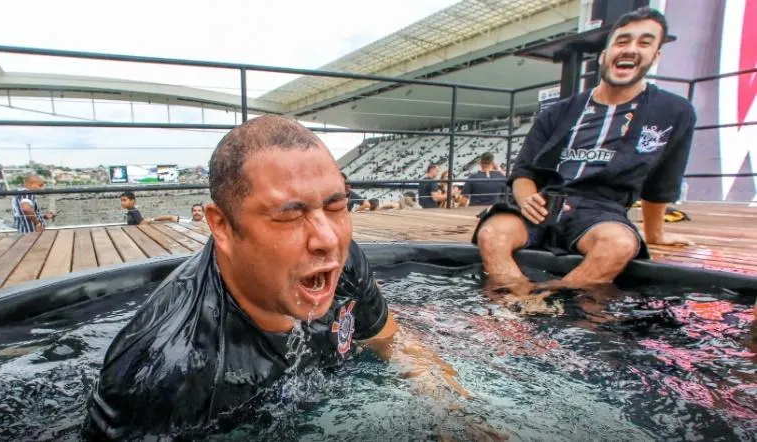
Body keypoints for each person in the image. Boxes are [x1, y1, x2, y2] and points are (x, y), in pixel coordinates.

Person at [85, 116, 468, 440]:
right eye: (289, 215)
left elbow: (390, 340)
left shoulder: (344, 260)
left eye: (337, 206)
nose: (328, 239)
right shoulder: (168, 368)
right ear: (221, 225)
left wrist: (453, 414)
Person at [473, 7, 696, 292]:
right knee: (492, 233)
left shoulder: (674, 112)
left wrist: (655, 235)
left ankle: (550, 300)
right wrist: (527, 198)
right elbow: (523, 172)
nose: (630, 49)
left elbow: (661, 183)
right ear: (605, 55)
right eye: (622, 41)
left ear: (656, 56)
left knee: (619, 244)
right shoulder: (559, 112)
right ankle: (515, 300)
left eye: (644, 42)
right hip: (545, 203)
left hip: (601, 211)